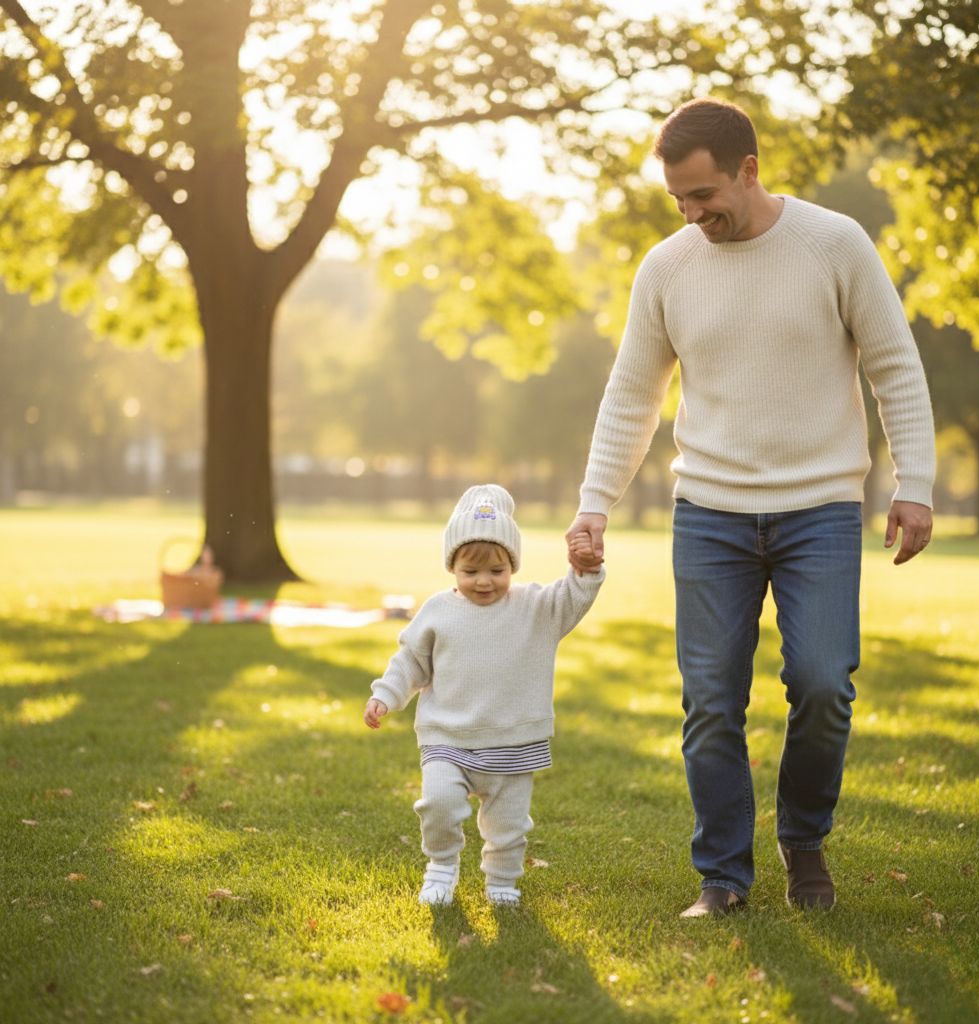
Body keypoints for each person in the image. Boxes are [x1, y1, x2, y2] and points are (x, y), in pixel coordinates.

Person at [565, 98, 935, 917]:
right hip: (710, 513)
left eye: (704, 196)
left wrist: (915, 483)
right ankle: (723, 877)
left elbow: (895, 367)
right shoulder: (667, 268)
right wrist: (595, 502)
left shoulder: (835, 244)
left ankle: (803, 839)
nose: (692, 215)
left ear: (749, 169)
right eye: (678, 200)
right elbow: (632, 394)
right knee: (710, 703)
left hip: (820, 507)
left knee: (823, 685)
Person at [364, 484, 605, 907]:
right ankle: (441, 866)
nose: (484, 581)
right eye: (470, 570)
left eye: (497, 570)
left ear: (512, 564)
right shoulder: (438, 610)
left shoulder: (535, 607)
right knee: (438, 804)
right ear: (452, 567)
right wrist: (386, 694)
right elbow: (410, 660)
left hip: (513, 740)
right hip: (447, 737)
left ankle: (502, 883)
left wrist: (585, 568)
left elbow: (573, 596)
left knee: (508, 826)